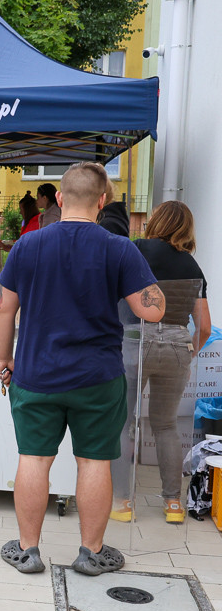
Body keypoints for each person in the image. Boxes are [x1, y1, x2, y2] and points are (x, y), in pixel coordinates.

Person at [0, 162, 164, 576]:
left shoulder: (28, 245)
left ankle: (27, 550)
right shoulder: (119, 247)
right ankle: (91, 553)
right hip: (97, 377)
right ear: (102, 201)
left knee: (34, 459)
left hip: (36, 374)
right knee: (93, 462)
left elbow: (4, 310)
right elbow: (152, 310)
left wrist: (4, 358)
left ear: (59, 199)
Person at [109, 201, 211, 524]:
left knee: (123, 422)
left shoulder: (136, 250)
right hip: (178, 346)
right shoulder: (193, 268)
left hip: (135, 341)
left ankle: (122, 502)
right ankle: (173, 505)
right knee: (165, 425)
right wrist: (189, 350)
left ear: (159, 221)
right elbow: (205, 326)